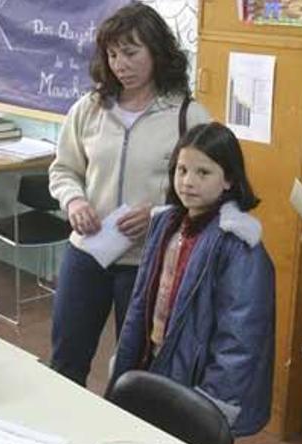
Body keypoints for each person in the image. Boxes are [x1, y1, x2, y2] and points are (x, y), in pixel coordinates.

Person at [48, 2, 211, 386]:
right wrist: (74, 200)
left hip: (149, 261)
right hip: (87, 252)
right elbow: (63, 169)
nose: (121, 64)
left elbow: (210, 194)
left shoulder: (188, 116)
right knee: (66, 359)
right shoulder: (90, 109)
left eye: (132, 52)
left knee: (136, 370)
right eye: (113, 54)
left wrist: (160, 214)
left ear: (157, 51)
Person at [109, 123, 274, 436]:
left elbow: (239, 338)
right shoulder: (166, 223)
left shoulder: (237, 243)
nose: (188, 182)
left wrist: (213, 404)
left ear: (229, 179)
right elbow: (140, 302)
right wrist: (125, 364)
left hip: (196, 381)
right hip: (153, 358)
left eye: (203, 172)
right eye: (181, 169)